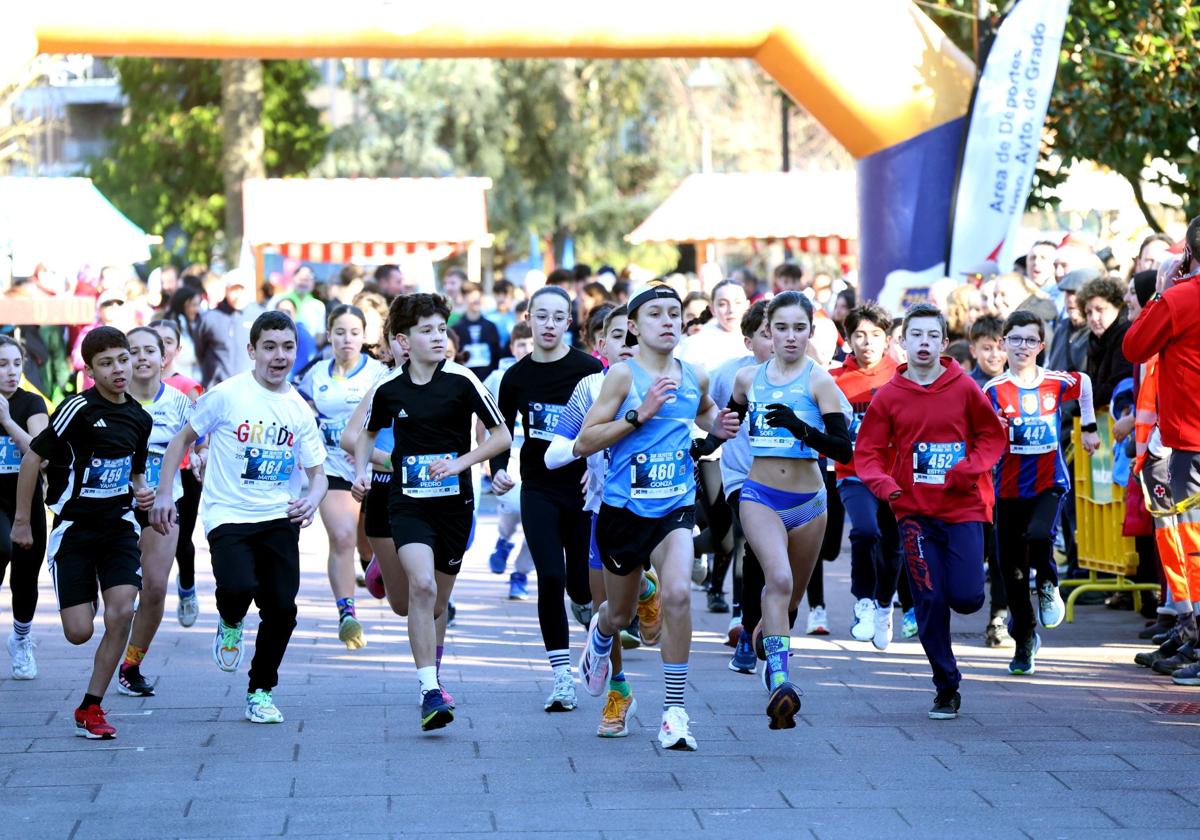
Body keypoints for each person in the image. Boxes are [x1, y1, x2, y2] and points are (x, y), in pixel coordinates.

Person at [575, 284, 739, 751]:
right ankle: (601, 635)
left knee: (677, 594)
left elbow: (704, 413)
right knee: (621, 613)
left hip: (675, 506)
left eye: (674, 313)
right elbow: (586, 442)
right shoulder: (622, 377)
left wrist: (718, 425)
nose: (667, 321)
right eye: (655, 314)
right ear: (633, 326)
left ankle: (674, 713)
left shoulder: (695, 377)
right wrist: (639, 415)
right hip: (623, 512)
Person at [151, 311, 329, 725]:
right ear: (252, 351)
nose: (278, 356)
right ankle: (231, 619)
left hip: (278, 517)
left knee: (283, 609)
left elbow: (318, 474)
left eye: (287, 347)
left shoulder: (299, 410)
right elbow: (183, 438)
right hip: (228, 515)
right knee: (238, 587)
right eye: (269, 347)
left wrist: (313, 500)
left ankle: (260, 690)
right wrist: (164, 492)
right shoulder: (227, 394)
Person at [354, 294, 511, 731]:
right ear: (404, 340)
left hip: (454, 508)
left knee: (437, 600)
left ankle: (431, 671)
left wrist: (462, 463)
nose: (438, 337)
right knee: (421, 587)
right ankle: (429, 690)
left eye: (442, 329)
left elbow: (501, 437)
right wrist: (359, 472)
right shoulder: (388, 389)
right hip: (407, 506)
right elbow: (365, 435)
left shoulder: (463, 381)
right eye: (427, 330)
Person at [854, 304, 1006, 720]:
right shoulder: (889, 395)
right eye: (915, 335)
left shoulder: (964, 388)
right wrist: (886, 486)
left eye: (931, 336)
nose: (923, 343)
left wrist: (967, 469)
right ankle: (946, 685)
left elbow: (992, 438)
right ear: (903, 342)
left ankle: (955, 648)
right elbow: (866, 453)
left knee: (968, 597)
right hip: (915, 515)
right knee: (929, 599)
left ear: (943, 342)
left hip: (963, 509)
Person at [11, 327, 153, 739]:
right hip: (74, 530)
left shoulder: (140, 418)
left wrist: (143, 494)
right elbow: (32, 460)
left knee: (123, 611)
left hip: (119, 527)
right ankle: (85, 586)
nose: (118, 369)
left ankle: (91, 707)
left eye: (122, 359)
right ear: (90, 371)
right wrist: (23, 521)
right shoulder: (77, 409)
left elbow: (136, 473)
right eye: (106, 364)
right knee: (79, 632)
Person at [727, 291, 853, 728]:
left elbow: (843, 449)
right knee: (776, 579)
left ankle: (769, 635)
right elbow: (729, 421)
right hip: (759, 494)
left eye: (800, 328)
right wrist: (708, 440)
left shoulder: (820, 382)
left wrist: (799, 427)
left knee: (791, 600)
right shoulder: (748, 379)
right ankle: (781, 681)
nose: (790, 336)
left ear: (810, 332)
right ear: (767, 331)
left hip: (810, 503)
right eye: (780, 328)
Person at [544, 304, 658, 736]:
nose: (629, 346)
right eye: (618, 338)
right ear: (600, 346)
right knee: (604, 611)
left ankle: (675, 709)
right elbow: (555, 454)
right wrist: (591, 442)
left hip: (662, 510)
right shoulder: (590, 388)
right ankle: (619, 690)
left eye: (634, 336)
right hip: (605, 511)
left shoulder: (671, 382)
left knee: (673, 585)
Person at [490, 287, 603, 711]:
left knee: (579, 583)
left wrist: (595, 470)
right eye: (542, 316)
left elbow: (607, 423)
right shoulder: (516, 377)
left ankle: (587, 611)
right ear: (529, 319)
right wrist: (497, 468)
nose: (550, 325)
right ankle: (561, 678)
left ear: (569, 322)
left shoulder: (588, 369)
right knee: (549, 576)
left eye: (558, 317)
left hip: (581, 490)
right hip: (537, 487)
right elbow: (501, 432)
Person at [984, 310, 1099, 675]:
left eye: (1030, 339)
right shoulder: (992, 390)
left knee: (1039, 534)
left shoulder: (1055, 382)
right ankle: (1024, 640)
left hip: (1050, 481)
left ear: (1041, 345)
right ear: (1003, 344)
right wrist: (994, 431)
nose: (1022, 346)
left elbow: (1085, 385)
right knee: (1011, 572)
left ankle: (1050, 583)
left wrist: (1090, 428)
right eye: (1015, 339)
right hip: (1009, 488)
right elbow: (981, 433)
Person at [1124, 217, 1200, 686]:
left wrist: (1162, 289)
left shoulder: (1180, 298)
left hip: (1191, 440)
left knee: (1193, 543)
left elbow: (1134, 345)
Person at [298, 305, 386, 649]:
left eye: (354, 332)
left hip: (378, 469)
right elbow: (300, 411)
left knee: (369, 539)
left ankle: (373, 566)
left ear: (364, 336)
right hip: (333, 467)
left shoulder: (379, 373)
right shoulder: (315, 374)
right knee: (342, 535)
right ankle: (346, 613)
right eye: (339, 332)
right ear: (329, 335)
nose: (346, 339)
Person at [115, 327, 197, 697]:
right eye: (134, 351)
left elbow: (202, 443)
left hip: (164, 503)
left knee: (156, 588)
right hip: (113, 505)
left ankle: (131, 664)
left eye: (152, 349)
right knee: (120, 593)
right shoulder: (106, 401)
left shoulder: (181, 403)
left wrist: (198, 457)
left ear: (165, 356)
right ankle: (111, 644)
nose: (143, 357)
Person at [830, 304, 903, 648]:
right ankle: (863, 600)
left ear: (888, 340)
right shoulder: (835, 380)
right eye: (859, 335)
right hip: (854, 473)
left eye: (875, 335)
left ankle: (885, 604)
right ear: (847, 340)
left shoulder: (901, 375)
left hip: (894, 475)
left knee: (893, 545)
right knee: (864, 531)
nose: (867, 342)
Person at [149, 319, 205, 626]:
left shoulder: (186, 387)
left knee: (181, 539)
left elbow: (200, 434)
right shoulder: (132, 383)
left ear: (177, 349)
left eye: (167, 342)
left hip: (183, 474)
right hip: (145, 475)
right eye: (154, 341)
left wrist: (198, 454)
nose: (161, 348)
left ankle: (187, 587)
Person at [0, 336, 49, 679]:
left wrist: (5, 419)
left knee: (25, 577)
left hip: (26, 500)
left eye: (16, 364)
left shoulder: (31, 403)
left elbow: (40, 451)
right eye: (2, 364)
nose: (11, 372)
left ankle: (21, 640)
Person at [482, 322, 536, 598]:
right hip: (510, 453)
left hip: (539, 457)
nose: (526, 349)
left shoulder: (546, 374)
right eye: (521, 344)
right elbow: (481, 418)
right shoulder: (497, 377)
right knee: (514, 507)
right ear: (512, 347)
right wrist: (484, 454)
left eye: (531, 343)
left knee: (538, 522)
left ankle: (521, 574)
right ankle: (503, 540)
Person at [1077, 275, 1132, 410]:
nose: (1094, 318)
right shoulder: (1095, 340)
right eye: (1089, 313)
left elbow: (1118, 385)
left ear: (1118, 306)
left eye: (1100, 310)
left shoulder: (1126, 335)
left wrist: (1082, 395)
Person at [194, 270, 253, 388]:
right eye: (234, 289)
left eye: (242, 289)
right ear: (226, 290)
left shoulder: (259, 315)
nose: (239, 294)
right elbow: (199, 351)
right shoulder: (209, 318)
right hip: (217, 390)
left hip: (250, 390)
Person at [451, 282, 504, 381]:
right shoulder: (456, 328)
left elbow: (497, 355)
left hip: (489, 380)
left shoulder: (491, 327)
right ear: (463, 298)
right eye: (472, 298)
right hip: (465, 382)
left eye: (478, 297)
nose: (476, 301)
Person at [283, 266, 329, 344]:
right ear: (293, 279)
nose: (303, 283)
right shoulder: (279, 301)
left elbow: (320, 335)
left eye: (307, 280)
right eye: (301, 279)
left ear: (313, 283)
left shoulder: (318, 306)